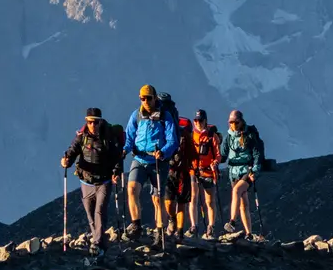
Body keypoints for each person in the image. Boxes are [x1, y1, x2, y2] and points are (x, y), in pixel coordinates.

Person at [61, 107, 122, 253]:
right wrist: (66, 161)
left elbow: (116, 157)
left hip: (104, 181)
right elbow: (72, 151)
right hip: (86, 181)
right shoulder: (82, 137)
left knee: (99, 211)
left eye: (95, 122)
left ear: (100, 122)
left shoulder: (108, 138)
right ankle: (100, 242)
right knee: (90, 214)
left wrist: (116, 172)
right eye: (90, 122)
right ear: (86, 122)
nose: (93, 126)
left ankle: (97, 243)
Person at [122, 85, 178, 240]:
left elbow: (172, 140)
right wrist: (125, 150)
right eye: (142, 98)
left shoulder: (165, 116)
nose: (145, 101)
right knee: (132, 189)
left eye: (148, 98)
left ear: (155, 98)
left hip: (158, 161)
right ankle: (136, 225)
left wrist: (164, 152)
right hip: (139, 158)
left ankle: (160, 234)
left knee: (157, 199)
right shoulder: (137, 115)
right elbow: (129, 137)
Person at [224, 109, 263, 239]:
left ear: (241, 121)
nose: (233, 125)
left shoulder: (250, 135)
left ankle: (232, 222)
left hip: (248, 170)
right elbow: (223, 154)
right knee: (243, 202)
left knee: (236, 191)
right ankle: (249, 233)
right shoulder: (228, 137)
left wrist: (255, 171)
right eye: (231, 122)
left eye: (236, 122)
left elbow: (257, 154)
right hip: (233, 172)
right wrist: (215, 161)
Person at [187, 109, 223, 237]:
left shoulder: (211, 136)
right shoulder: (191, 136)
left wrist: (215, 163)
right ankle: (194, 226)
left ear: (205, 121)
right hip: (194, 171)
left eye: (200, 120)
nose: (198, 123)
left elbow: (218, 155)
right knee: (193, 199)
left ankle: (211, 227)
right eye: (196, 120)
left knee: (209, 201)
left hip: (208, 172)